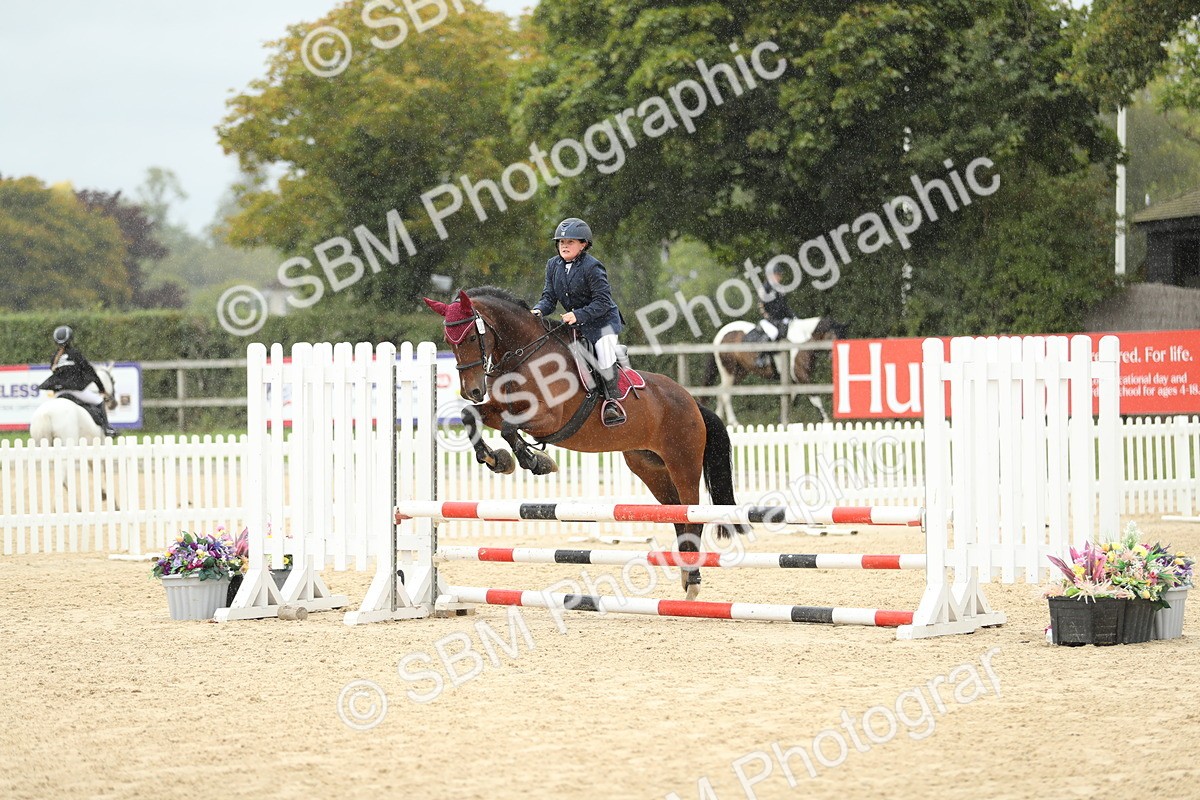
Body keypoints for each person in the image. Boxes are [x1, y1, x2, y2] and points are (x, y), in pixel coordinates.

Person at [531, 217, 627, 426]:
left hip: (603, 323)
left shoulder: (593, 267)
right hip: (578, 324)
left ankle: (613, 403)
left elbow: (603, 302)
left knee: (603, 354)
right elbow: (549, 298)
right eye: (561, 242)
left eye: (570, 242)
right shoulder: (553, 265)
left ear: (583, 245)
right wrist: (538, 310)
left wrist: (578, 315)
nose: (564, 246)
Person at [37, 325, 116, 436]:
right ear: (70, 339)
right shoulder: (75, 354)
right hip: (75, 390)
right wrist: (102, 389)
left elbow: (54, 371)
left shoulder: (55, 357)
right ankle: (107, 429)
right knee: (99, 401)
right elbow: (91, 373)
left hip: (59, 391)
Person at [755, 262, 798, 368]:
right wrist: (770, 317)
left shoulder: (780, 289)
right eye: (778, 275)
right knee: (773, 333)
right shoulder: (765, 288)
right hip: (769, 320)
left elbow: (785, 306)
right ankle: (761, 357)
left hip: (782, 319)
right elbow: (761, 306)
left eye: (780, 275)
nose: (780, 277)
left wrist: (793, 316)